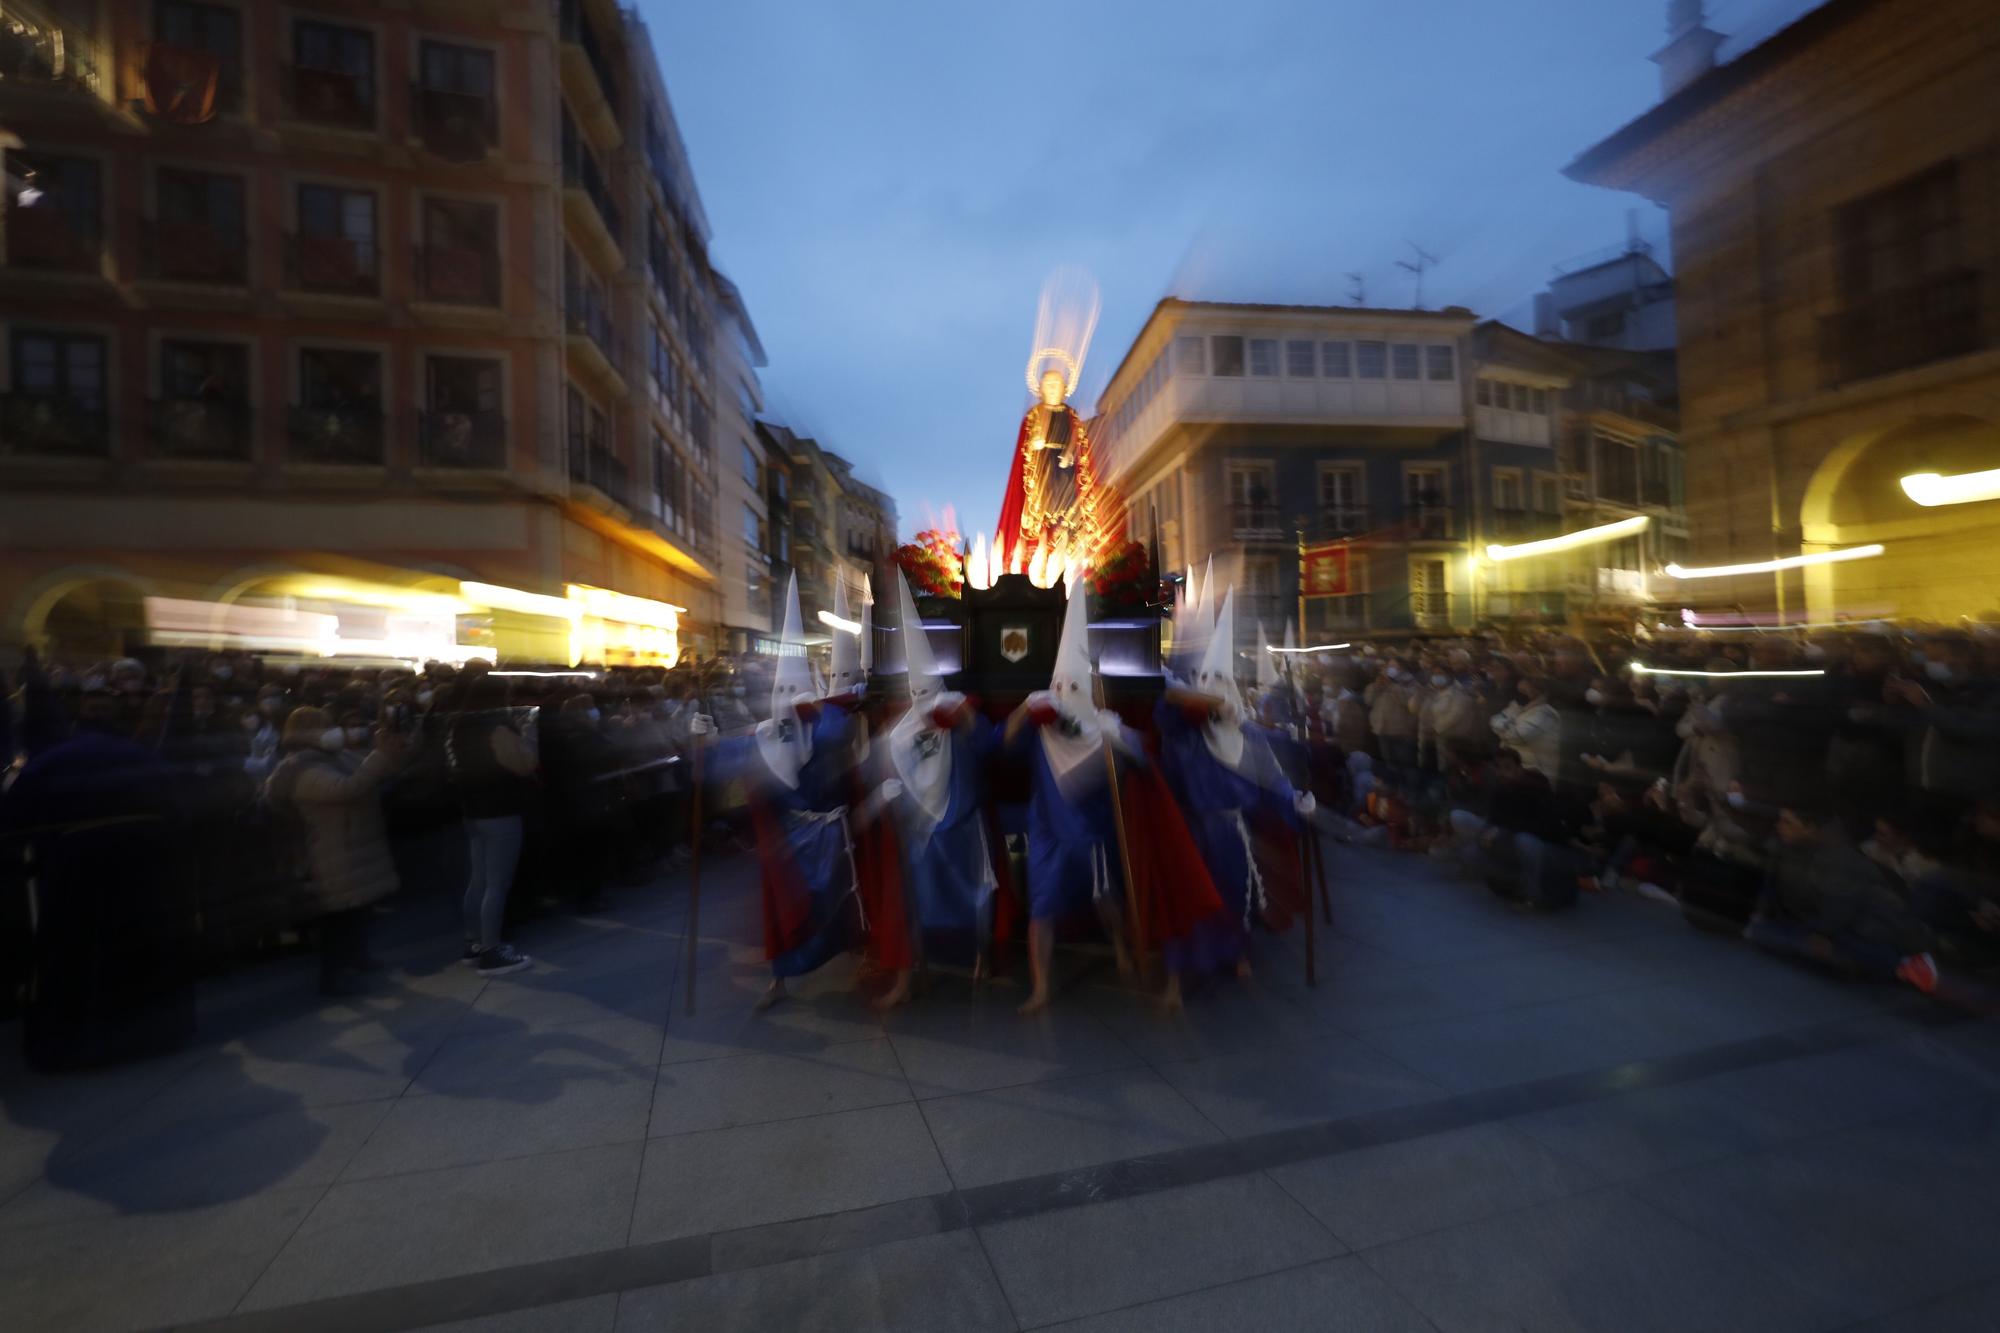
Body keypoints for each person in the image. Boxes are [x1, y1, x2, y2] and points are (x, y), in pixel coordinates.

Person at [868, 571, 1010, 1009]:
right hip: (922, 832)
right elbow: (883, 764)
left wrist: (966, 723)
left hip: (964, 825)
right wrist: (886, 786)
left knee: (975, 897)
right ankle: (912, 976)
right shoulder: (899, 732)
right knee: (913, 902)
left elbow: (992, 749)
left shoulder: (962, 713)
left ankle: (982, 956)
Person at [1155, 588, 1313, 981]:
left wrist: (1296, 800)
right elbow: (1165, 707)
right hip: (1192, 829)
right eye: (1204, 681)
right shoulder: (1186, 734)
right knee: (1195, 894)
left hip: (1231, 830)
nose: (1212, 688)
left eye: (1219, 681)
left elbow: (1273, 782)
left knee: (1234, 890)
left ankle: (1238, 952)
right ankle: (1195, 959)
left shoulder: (1251, 736)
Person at [265, 707, 406, 997]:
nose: (334, 731)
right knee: (337, 919)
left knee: (355, 911)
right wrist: (378, 757)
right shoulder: (300, 768)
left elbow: (370, 773)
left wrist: (389, 751)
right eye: (324, 726)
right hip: (330, 851)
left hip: (350, 846)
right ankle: (333, 977)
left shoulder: (334, 757)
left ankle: (356, 957)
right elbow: (345, 789)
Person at [445, 671, 536, 976]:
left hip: (472, 809)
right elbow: (522, 766)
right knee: (497, 884)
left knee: (479, 880)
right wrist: (527, 736)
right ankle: (492, 950)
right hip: (500, 808)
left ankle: (473, 943)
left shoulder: (459, 724)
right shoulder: (498, 726)